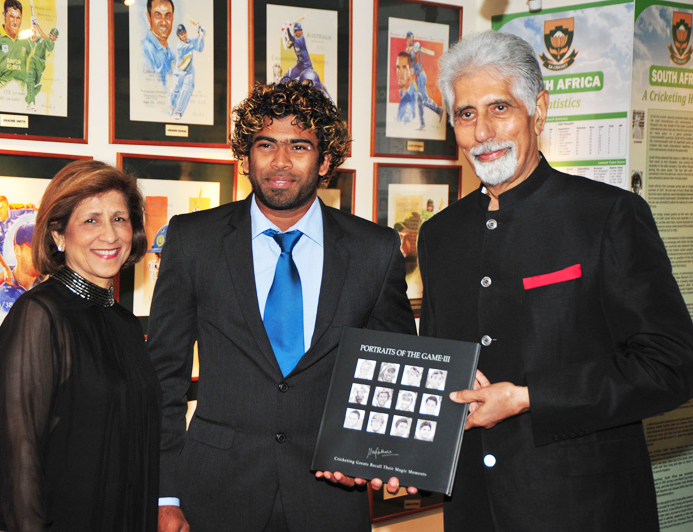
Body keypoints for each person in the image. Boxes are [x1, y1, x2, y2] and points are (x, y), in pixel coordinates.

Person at [416, 31, 693, 532]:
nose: (482, 132)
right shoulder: (439, 235)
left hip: (588, 511)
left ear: (538, 111)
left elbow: (671, 366)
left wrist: (529, 397)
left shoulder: (608, 215)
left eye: (500, 108)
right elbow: (439, 366)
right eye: (466, 114)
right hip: (474, 510)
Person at [148, 79, 415, 532]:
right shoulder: (193, 240)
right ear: (246, 157)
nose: (280, 161)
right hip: (215, 492)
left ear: (325, 160)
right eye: (266, 144)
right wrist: (165, 494)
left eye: (300, 146)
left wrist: (376, 454)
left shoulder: (375, 249)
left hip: (331, 494)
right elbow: (163, 379)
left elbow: (396, 369)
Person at [0, 161, 163, 532]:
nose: (110, 235)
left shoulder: (125, 323)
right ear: (58, 235)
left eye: (119, 219)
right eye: (91, 220)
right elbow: (16, 457)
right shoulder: (38, 315)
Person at [0, 222, 41, 313]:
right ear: (17, 251)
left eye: (41, 249)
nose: (39, 255)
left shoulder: (50, 289)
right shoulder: (0, 295)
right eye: (34, 249)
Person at [0, 0, 32, 89]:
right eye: (11, 17)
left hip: (21, 94)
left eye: (18, 18)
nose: (15, 22)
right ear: (4, 15)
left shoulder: (27, 42)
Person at [280, 21, 329, 97]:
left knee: (315, 81)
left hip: (307, 65)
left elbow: (292, 39)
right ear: (295, 32)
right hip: (300, 64)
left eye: (300, 30)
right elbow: (288, 44)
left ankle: (326, 95)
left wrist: (288, 29)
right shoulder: (294, 39)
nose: (299, 32)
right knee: (289, 79)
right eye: (297, 31)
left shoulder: (301, 39)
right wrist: (286, 32)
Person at [404, 31, 443, 124]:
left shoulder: (416, 45)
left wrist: (414, 50)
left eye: (409, 39)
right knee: (419, 100)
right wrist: (408, 52)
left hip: (421, 76)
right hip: (416, 78)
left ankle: (438, 110)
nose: (407, 41)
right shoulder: (408, 50)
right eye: (407, 39)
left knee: (424, 100)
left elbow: (417, 60)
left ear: (411, 38)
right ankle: (422, 123)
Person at [169, 23, 204, 120]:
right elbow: (192, 45)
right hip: (180, 71)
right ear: (178, 36)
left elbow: (199, 48)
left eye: (184, 33)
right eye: (181, 34)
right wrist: (198, 33)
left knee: (187, 90)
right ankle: (172, 106)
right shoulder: (180, 46)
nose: (184, 35)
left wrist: (201, 37)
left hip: (189, 71)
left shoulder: (189, 40)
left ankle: (179, 111)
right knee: (176, 90)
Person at [25, 22, 59, 112]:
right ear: (50, 34)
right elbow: (34, 39)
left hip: (40, 64)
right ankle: (32, 102)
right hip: (33, 60)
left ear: (55, 38)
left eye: (54, 36)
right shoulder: (42, 39)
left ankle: (28, 100)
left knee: (36, 85)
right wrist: (33, 28)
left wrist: (36, 24)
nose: (52, 37)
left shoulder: (51, 44)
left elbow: (43, 35)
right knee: (30, 80)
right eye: (52, 34)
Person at [142, 0, 175, 87]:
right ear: (149, 17)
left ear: (172, 18)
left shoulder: (171, 51)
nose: (163, 22)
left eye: (168, 16)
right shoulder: (143, 51)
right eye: (158, 15)